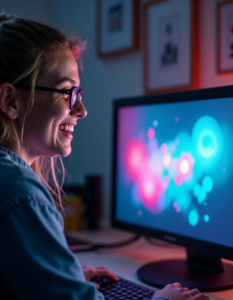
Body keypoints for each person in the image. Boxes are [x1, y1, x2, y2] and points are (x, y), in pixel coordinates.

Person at [0, 13, 209, 300]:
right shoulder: (21, 193)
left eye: (79, 93)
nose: (82, 109)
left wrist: (60, 276)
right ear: (10, 101)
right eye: (67, 93)